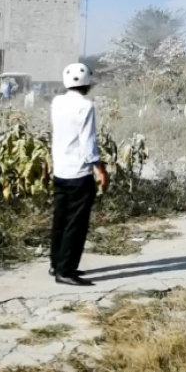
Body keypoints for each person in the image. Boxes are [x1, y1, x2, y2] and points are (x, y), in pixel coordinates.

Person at [49, 63, 109, 286]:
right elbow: (88, 143)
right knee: (76, 223)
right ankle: (65, 271)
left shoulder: (57, 102)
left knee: (61, 220)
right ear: (88, 83)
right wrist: (100, 169)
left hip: (61, 170)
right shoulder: (86, 106)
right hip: (79, 173)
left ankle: (56, 264)